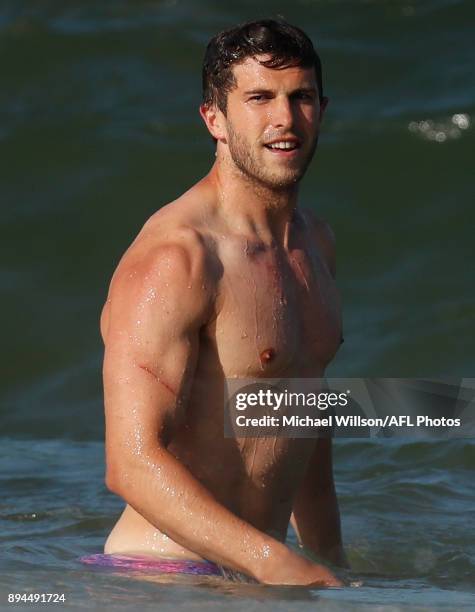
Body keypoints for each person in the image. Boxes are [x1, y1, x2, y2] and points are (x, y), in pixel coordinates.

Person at [98, 18, 348, 586]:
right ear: (214, 118)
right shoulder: (179, 259)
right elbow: (131, 463)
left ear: (322, 109)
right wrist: (277, 563)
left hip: (261, 577)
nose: (285, 120)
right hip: (163, 577)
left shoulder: (315, 244)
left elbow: (304, 416)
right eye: (258, 98)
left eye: (301, 97)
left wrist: (333, 567)